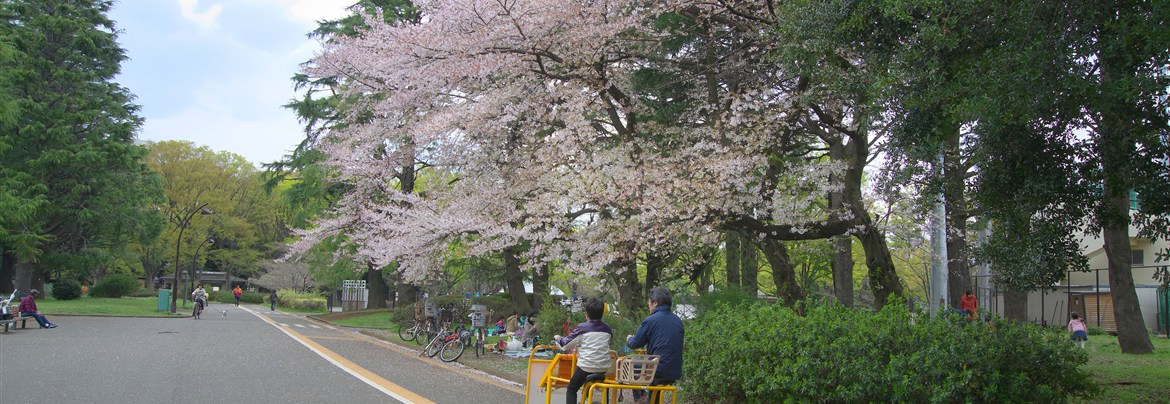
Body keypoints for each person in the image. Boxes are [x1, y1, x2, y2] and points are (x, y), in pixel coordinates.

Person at [627, 287, 683, 404]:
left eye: (649, 302)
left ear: (655, 303)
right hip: (674, 369)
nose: (648, 305)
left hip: (657, 368)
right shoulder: (678, 320)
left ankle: (639, 398)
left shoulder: (650, 320)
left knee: (630, 364)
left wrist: (629, 338)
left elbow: (635, 344)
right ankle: (647, 399)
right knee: (652, 368)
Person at [554, 298, 612, 404]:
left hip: (586, 367)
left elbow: (565, 344)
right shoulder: (607, 329)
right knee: (588, 384)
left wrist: (557, 338)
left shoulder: (582, 328)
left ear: (587, 314)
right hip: (603, 367)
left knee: (572, 389)